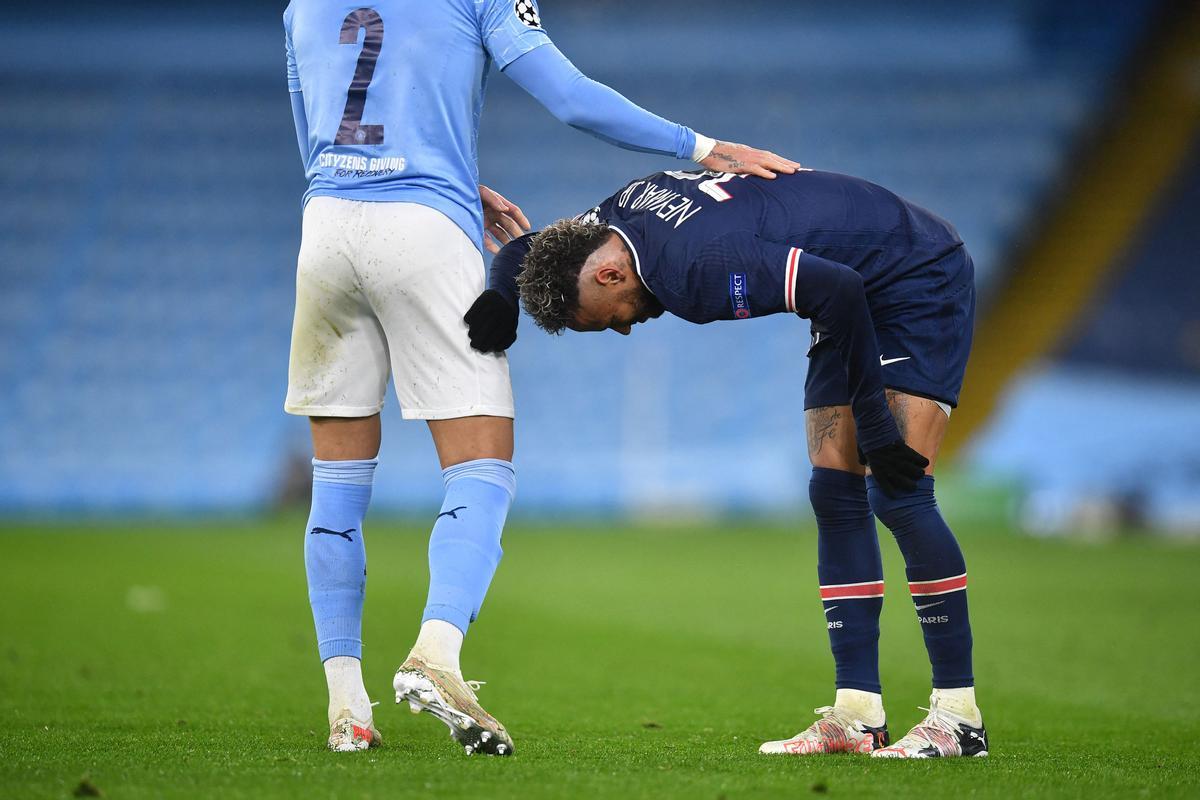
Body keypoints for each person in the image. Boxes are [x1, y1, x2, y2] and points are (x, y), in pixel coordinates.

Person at [282, 0, 798, 756]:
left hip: (325, 225)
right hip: (423, 229)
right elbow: (569, 96)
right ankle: (437, 654)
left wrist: (457, 175)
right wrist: (706, 146)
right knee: (482, 467)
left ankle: (346, 707)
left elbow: (318, 135)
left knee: (337, 485)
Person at [469, 167, 988, 758]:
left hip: (912, 271)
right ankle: (857, 714)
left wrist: (874, 423)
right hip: (849, 285)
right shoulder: (605, 228)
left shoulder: (695, 271)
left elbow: (838, 289)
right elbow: (526, 249)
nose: (622, 329)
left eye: (608, 316)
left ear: (611, 273)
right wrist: (501, 297)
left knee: (898, 491)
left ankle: (958, 716)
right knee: (835, 493)